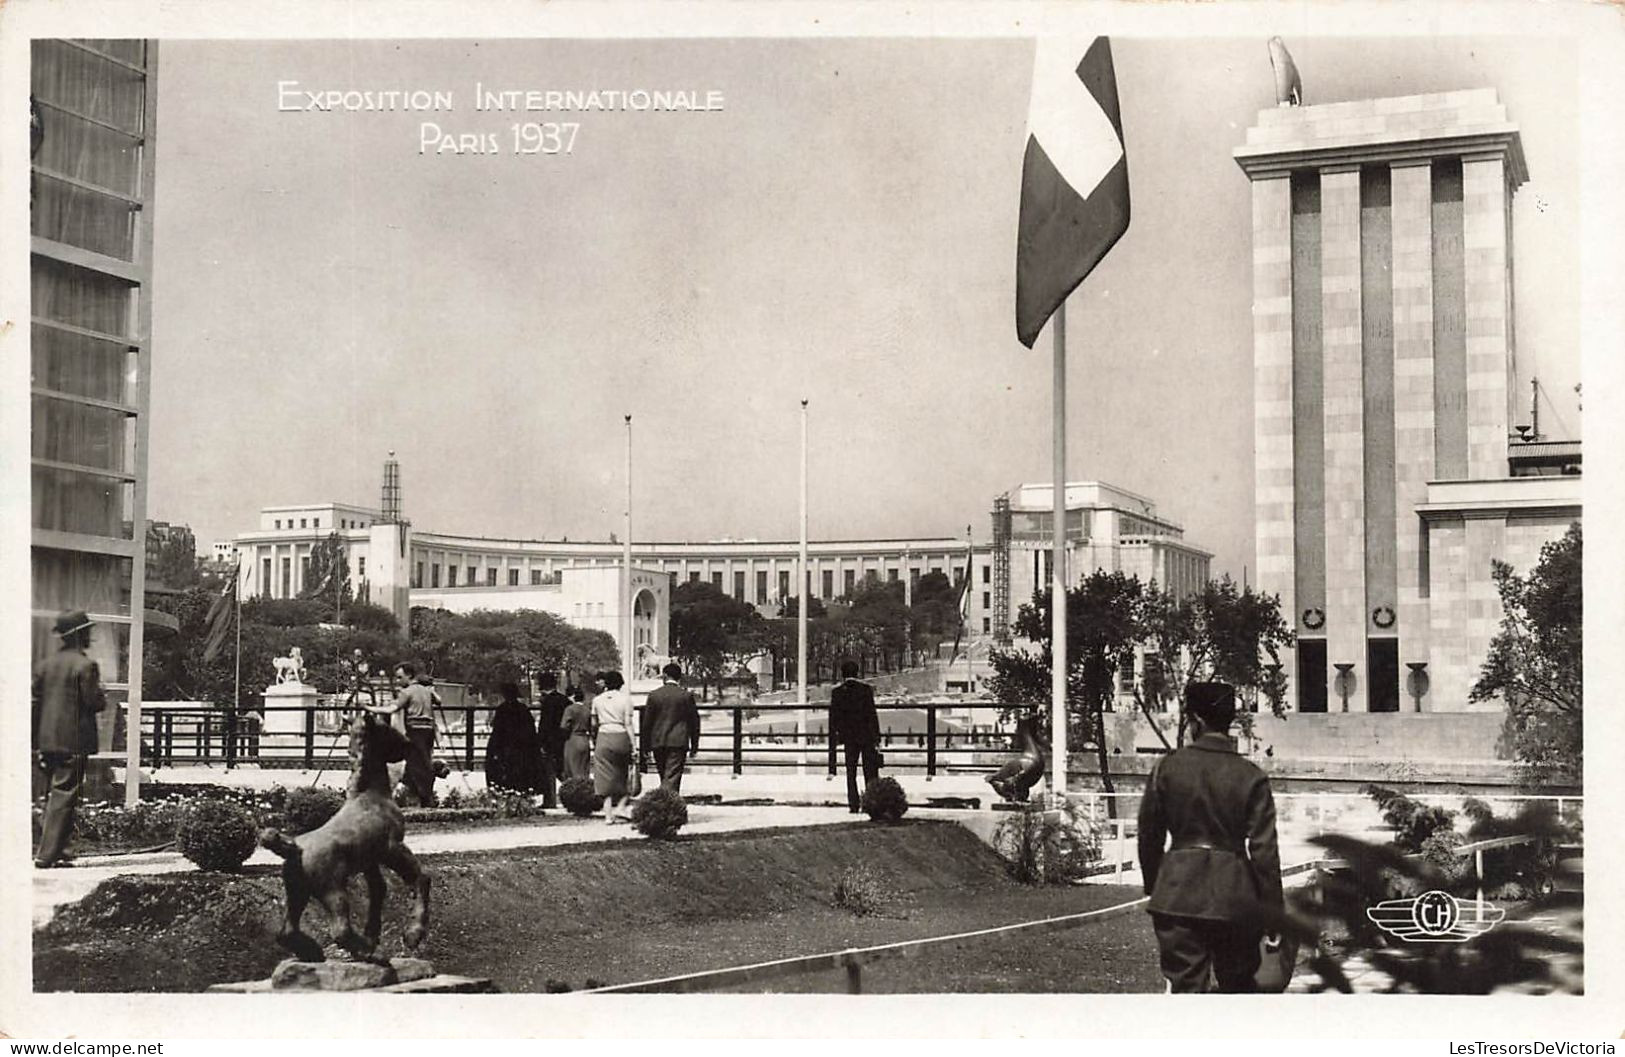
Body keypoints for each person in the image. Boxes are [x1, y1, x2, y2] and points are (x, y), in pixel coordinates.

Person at [1136, 681, 1284, 993]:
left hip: (1177, 894)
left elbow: (1149, 836)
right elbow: (1264, 852)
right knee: (1238, 993)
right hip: (1235, 897)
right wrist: (1273, 912)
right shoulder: (1251, 775)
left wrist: (1156, 885)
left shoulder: (1166, 768)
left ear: (1196, 721)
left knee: (1186, 993)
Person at [33, 609, 107, 868]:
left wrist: (35, 741)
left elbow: (35, 702)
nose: (89, 636)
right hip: (72, 739)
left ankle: (60, 850)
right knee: (65, 794)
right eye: (86, 632)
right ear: (78, 635)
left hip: (46, 739)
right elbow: (94, 702)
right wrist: (102, 694)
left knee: (52, 794)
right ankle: (47, 855)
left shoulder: (45, 665)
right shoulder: (85, 665)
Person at [375, 662, 440, 807]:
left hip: (415, 731)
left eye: (400, 677)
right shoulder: (426, 691)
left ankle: (424, 798)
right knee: (423, 762)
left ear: (409, 676)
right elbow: (439, 701)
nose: (398, 681)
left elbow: (392, 708)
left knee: (417, 764)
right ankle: (421, 795)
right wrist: (431, 691)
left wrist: (371, 708)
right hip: (427, 731)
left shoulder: (407, 692)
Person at [829, 660, 881, 814]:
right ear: (857, 673)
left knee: (851, 772)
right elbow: (872, 714)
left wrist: (838, 735)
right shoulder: (865, 690)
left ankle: (853, 803)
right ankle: (870, 802)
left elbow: (834, 718)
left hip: (849, 737)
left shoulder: (837, 692)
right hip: (865, 735)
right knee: (869, 770)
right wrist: (876, 736)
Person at [641, 663, 701, 793]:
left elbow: (647, 723)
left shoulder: (654, 695)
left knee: (663, 775)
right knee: (672, 776)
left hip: (658, 740)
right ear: (679, 677)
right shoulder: (686, 696)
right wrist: (694, 744)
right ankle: (668, 803)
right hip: (678, 740)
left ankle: (664, 800)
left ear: (665, 676)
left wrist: (645, 746)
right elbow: (694, 722)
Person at [590, 670, 637, 823]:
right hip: (621, 735)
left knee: (604, 777)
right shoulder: (626, 700)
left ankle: (608, 815)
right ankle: (622, 806)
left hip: (603, 735)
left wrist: (595, 738)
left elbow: (593, 724)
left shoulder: (597, 700)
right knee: (623, 774)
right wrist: (634, 746)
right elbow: (629, 724)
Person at [485, 680, 541, 795]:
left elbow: (498, 729)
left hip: (506, 746)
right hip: (521, 747)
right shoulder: (523, 709)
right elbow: (530, 729)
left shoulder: (502, 709)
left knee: (506, 771)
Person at [535, 672, 571, 807]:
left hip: (550, 740)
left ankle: (549, 800)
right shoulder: (564, 700)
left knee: (549, 771)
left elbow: (544, 724)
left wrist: (540, 741)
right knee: (562, 769)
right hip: (563, 739)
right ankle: (571, 793)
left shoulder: (547, 702)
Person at [560, 687, 593, 780]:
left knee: (572, 768)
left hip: (573, 739)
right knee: (584, 769)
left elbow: (564, 725)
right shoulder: (587, 709)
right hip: (584, 739)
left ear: (573, 697)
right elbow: (592, 726)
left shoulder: (570, 709)